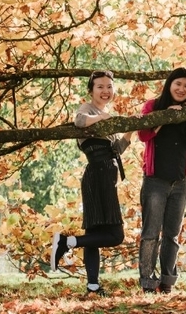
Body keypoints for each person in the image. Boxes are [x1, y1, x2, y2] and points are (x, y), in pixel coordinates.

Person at [51, 70, 133, 296]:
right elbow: (79, 122)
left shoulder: (105, 113)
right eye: (100, 86)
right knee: (115, 235)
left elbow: (115, 150)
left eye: (109, 86)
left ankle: (93, 286)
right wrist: (102, 118)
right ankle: (67, 242)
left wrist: (128, 133)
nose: (106, 90)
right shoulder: (88, 110)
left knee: (93, 234)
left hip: (105, 172)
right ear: (91, 90)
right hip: (98, 172)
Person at [137, 67, 186, 294]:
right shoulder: (152, 106)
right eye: (178, 84)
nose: (182, 89)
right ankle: (148, 282)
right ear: (169, 84)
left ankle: (167, 281)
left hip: (180, 182)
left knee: (172, 235)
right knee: (150, 234)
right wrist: (167, 115)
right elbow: (143, 135)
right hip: (155, 180)